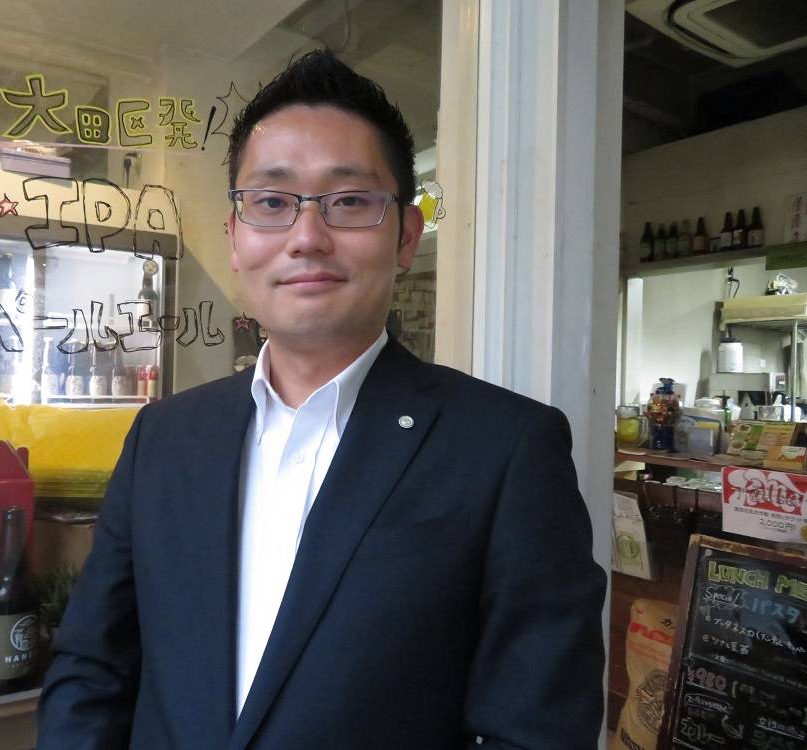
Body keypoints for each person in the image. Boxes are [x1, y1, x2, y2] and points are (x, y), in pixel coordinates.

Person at [37, 49, 606, 750]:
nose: (307, 237)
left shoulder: (506, 448)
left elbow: (536, 731)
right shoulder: (164, 437)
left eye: (350, 202)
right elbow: (93, 669)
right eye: (272, 203)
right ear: (235, 238)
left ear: (405, 237)